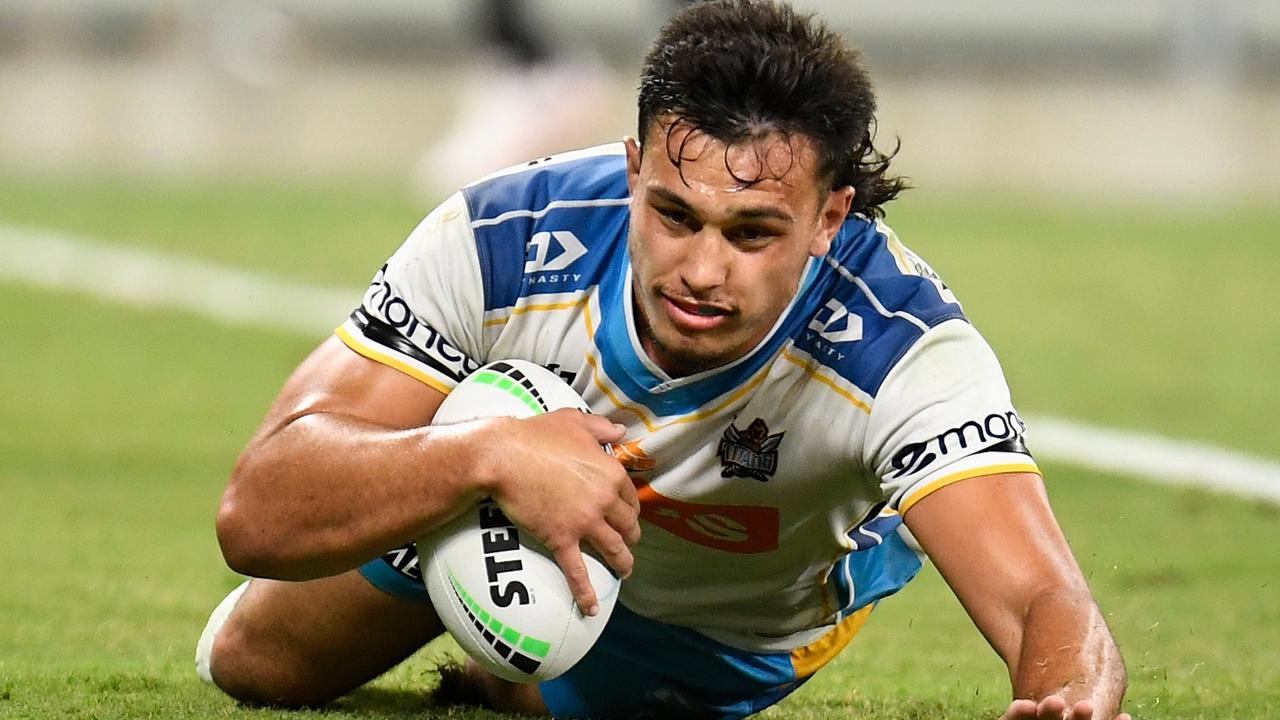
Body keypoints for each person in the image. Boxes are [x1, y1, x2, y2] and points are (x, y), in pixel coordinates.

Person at [198, 2, 1130, 718]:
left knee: (532, 693)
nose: (702, 270)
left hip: (728, 624)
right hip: (506, 477)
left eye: (753, 232)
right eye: (674, 214)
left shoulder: (900, 345)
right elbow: (256, 513)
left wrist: (1068, 702)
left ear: (830, 219)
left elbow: (1045, 599)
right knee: (259, 664)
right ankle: (487, 521)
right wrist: (487, 457)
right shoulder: (503, 235)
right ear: (636, 166)